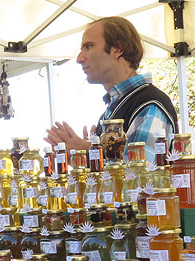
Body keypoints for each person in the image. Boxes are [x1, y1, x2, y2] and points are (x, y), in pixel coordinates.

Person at [45, 16, 178, 161]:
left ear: (118, 49)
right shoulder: (113, 110)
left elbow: (141, 174)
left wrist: (89, 152)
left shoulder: (150, 104)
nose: (79, 58)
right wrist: (84, 160)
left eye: (88, 47)